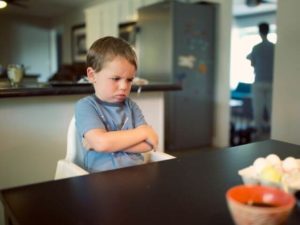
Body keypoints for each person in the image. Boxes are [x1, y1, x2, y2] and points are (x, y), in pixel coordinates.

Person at [75, 36, 158, 173]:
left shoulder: (131, 106)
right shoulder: (86, 106)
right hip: (100, 179)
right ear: (92, 75)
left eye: (129, 80)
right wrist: (142, 132)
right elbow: (101, 143)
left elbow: (149, 144)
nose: (123, 86)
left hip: (136, 173)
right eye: (116, 78)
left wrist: (108, 143)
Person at [247, 22, 275, 140]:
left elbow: (253, 64)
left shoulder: (256, 48)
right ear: (268, 31)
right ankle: (274, 133)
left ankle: (258, 133)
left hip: (259, 81)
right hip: (272, 82)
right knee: (271, 109)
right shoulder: (275, 47)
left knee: (257, 109)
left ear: (259, 32)